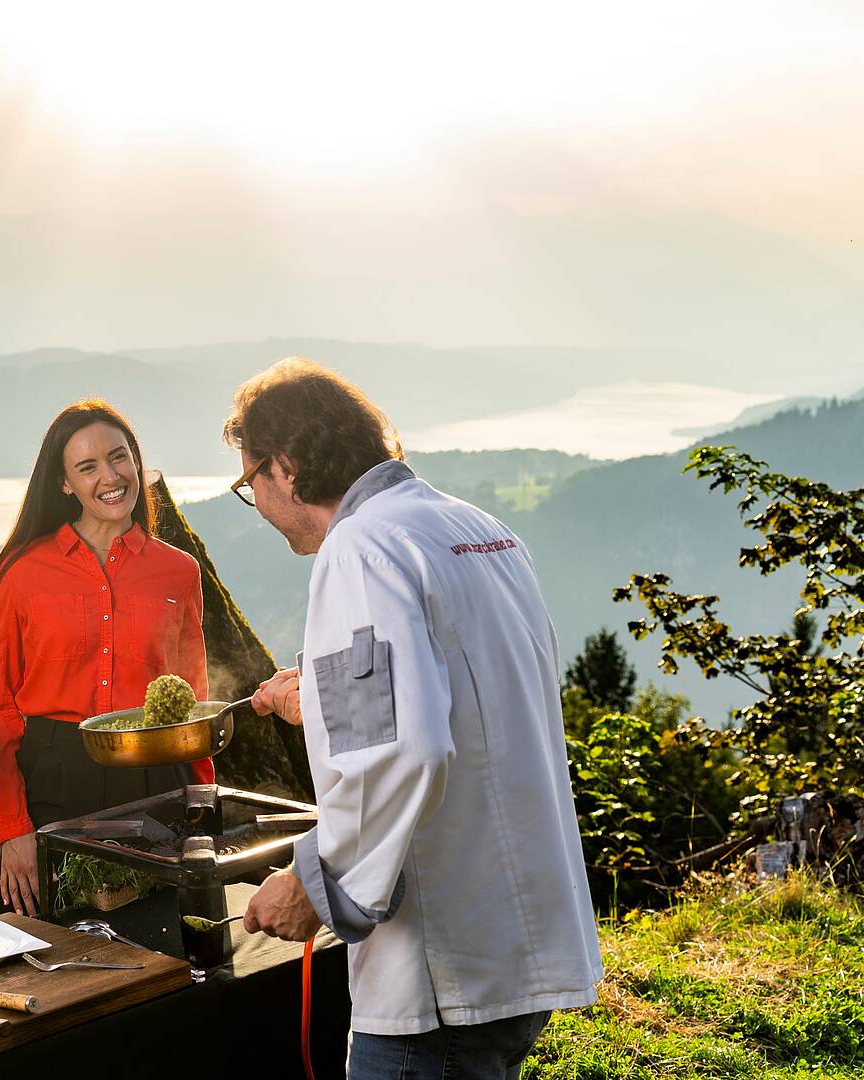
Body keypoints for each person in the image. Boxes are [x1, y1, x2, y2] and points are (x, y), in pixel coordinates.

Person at [226, 359, 601, 1078]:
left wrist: (315, 884)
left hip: (440, 977)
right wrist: (324, 701)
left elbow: (403, 751)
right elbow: (473, 697)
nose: (258, 504)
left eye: (250, 485)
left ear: (288, 464)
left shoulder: (359, 550)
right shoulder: (475, 528)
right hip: (521, 943)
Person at [0, 399, 212, 916]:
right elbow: (0, 712)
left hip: (155, 780)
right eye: (87, 467)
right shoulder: (22, 572)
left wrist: (204, 798)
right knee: (45, 952)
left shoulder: (179, 572)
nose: (110, 476)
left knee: (166, 950)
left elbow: (192, 701)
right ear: (64, 483)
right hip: (54, 782)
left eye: (119, 457)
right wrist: (12, 831)